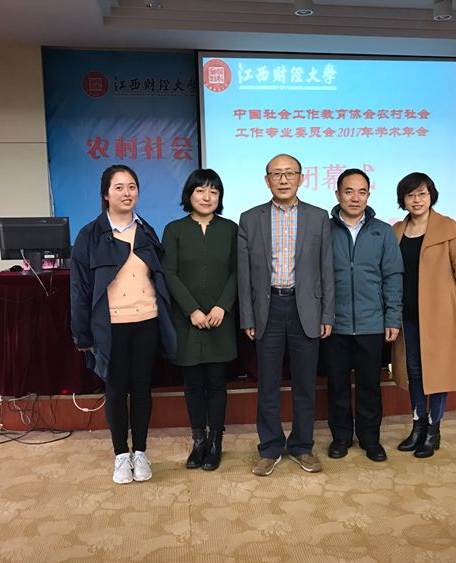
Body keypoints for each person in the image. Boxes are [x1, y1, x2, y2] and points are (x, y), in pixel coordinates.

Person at [70, 164, 177, 484]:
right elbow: (80, 289)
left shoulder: (146, 231)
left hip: (146, 321)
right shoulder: (90, 235)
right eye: (118, 187)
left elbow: (159, 278)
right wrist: (82, 335)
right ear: (105, 194)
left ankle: (140, 451)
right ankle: (120, 455)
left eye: (132, 187)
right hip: (111, 326)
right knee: (116, 389)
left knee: (142, 388)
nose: (126, 193)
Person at [237, 153, 334, 476]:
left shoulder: (318, 217)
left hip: (306, 308)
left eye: (289, 173)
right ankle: (269, 448)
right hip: (268, 309)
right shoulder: (250, 218)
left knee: (305, 384)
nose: (283, 179)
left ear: (301, 178)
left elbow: (326, 270)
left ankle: (302, 446)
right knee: (268, 384)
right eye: (276, 174)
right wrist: (247, 317)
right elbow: (244, 275)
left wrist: (327, 314)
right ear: (267, 180)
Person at [391, 172, 456, 458]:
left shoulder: (448, 228)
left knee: (437, 373)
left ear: (431, 196)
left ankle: (434, 430)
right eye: (410, 195)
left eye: (422, 194)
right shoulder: (396, 231)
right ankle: (418, 425)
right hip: (407, 315)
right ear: (403, 199)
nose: (417, 200)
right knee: (413, 371)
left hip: (441, 316)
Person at [161, 169, 237, 471]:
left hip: (220, 320)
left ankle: (216, 441)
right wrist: (191, 309)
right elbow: (169, 273)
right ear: (189, 195)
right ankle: (198, 441)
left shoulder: (230, 229)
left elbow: (237, 272)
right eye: (200, 191)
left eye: (213, 192)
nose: (207, 197)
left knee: (217, 383)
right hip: (187, 320)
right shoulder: (174, 230)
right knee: (192, 384)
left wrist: (222, 306)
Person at [325, 169, 403, 462]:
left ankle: (371, 439)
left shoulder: (382, 231)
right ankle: (341, 437)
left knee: (370, 386)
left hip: (372, 323)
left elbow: (393, 276)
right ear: (337, 194)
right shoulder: (324, 229)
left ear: (368, 195)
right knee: (337, 385)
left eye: (361, 192)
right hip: (334, 324)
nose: (355, 198)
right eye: (348, 191)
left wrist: (392, 317)